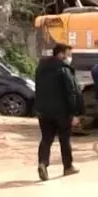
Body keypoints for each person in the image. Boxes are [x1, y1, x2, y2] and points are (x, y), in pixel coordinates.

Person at [33, 43, 84, 181]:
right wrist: (75, 112)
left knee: (46, 138)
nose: (70, 57)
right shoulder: (64, 69)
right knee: (64, 139)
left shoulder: (40, 68)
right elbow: (71, 92)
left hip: (43, 111)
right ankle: (68, 167)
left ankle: (42, 163)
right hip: (62, 111)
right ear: (61, 54)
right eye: (68, 54)